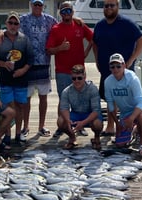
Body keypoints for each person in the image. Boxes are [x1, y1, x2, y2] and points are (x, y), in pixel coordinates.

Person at [0, 0, 58, 140]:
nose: (37, 7)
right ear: (31, 5)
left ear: (43, 6)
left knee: (43, 96)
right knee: (26, 99)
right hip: (26, 65)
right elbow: (7, 27)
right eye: (35, 4)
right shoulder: (23, 19)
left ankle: (41, 126)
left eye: (40, 4)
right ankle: (25, 126)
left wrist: (77, 19)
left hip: (43, 63)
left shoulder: (50, 20)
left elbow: (61, 25)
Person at [93, 0, 142, 136]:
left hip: (123, 69)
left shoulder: (127, 23)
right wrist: (97, 60)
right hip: (107, 69)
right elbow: (95, 44)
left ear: (118, 6)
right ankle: (111, 126)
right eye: (106, 6)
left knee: (125, 97)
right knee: (109, 97)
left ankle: (131, 122)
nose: (109, 8)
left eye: (112, 5)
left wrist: (131, 60)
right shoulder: (99, 25)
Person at [46, 1, 93, 138]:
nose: (66, 13)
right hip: (62, 71)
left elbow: (93, 38)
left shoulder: (80, 25)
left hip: (79, 70)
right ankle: (62, 126)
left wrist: (86, 52)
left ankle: (80, 125)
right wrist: (60, 48)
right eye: (64, 11)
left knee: (80, 99)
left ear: (73, 12)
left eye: (69, 11)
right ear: (60, 14)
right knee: (63, 99)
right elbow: (49, 50)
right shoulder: (55, 29)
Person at [0, 12, 34, 146]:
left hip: (21, 80)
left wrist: (23, 70)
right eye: (10, 23)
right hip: (5, 80)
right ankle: (7, 135)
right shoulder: (0, 39)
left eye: (16, 23)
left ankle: (18, 134)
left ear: (19, 25)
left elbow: (31, 59)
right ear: (6, 24)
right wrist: (3, 64)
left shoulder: (24, 39)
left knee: (20, 107)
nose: (13, 26)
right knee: (8, 108)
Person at [104, 53, 142, 156]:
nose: (115, 69)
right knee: (120, 144)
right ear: (110, 68)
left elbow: (140, 101)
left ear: (124, 65)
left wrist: (132, 118)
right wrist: (117, 123)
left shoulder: (132, 79)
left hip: (140, 108)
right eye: (113, 66)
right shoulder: (108, 82)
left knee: (141, 115)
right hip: (125, 113)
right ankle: (135, 129)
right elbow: (110, 105)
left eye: (118, 66)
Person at [57, 64, 103, 150]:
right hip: (75, 114)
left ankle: (96, 138)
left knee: (97, 123)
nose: (76, 81)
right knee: (61, 121)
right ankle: (72, 137)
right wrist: (67, 121)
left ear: (84, 77)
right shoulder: (66, 91)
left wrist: (83, 123)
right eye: (74, 78)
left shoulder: (93, 89)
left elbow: (96, 111)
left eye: (79, 78)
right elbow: (64, 108)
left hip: (90, 114)